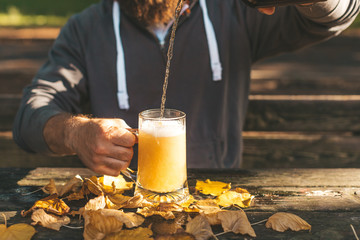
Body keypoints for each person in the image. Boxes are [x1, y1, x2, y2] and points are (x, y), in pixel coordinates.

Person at [13, 0, 359, 176]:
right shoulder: (86, 29)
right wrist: (76, 132)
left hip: (218, 201)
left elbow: (338, 15)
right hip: (122, 209)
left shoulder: (233, 12)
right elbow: (31, 114)